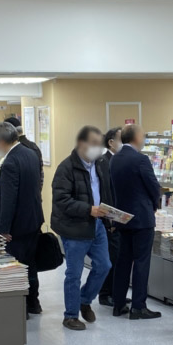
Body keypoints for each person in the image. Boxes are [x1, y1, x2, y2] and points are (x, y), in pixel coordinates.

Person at [51, 126, 113, 331]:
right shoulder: (66, 168)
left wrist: (110, 215)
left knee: (104, 265)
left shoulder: (100, 165)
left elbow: (105, 191)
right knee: (74, 273)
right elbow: (62, 200)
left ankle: (84, 300)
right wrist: (89, 209)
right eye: (94, 144)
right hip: (74, 227)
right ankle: (70, 316)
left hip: (97, 225)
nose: (98, 149)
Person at [0, 121, 44, 316]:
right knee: (30, 264)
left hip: (16, 226)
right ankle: (33, 303)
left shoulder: (11, 162)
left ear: (1, 141)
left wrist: (3, 229)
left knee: (14, 268)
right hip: (32, 220)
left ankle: (20, 309)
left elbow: (9, 200)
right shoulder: (30, 154)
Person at [109, 124, 162, 319]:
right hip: (141, 218)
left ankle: (119, 303)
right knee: (141, 262)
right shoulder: (141, 159)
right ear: (136, 138)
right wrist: (154, 204)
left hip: (122, 218)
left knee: (123, 261)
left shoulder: (115, 160)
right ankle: (138, 306)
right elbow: (153, 187)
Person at [97, 127, 122, 306]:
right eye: (121, 139)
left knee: (117, 255)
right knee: (111, 256)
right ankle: (106, 293)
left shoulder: (117, 160)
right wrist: (110, 218)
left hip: (118, 217)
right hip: (109, 219)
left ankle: (115, 291)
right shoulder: (104, 162)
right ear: (111, 142)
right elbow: (106, 192)